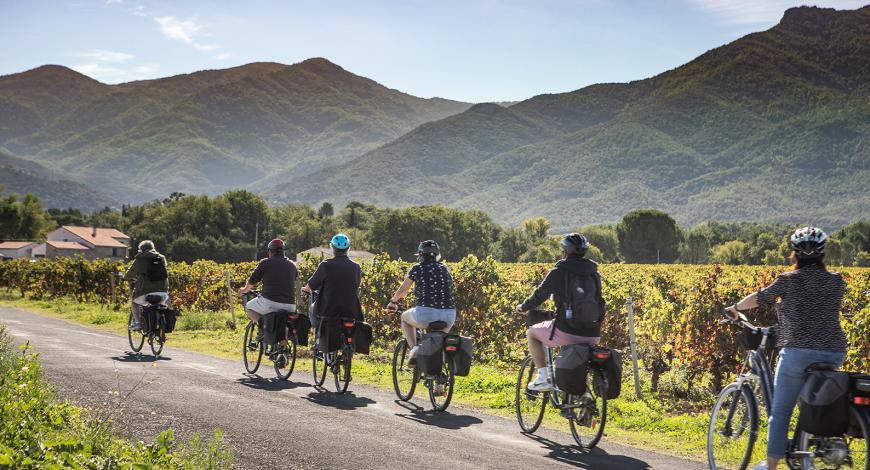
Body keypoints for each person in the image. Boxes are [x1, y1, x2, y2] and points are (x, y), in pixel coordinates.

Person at [725, 227, 846, 470]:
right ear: (822, 254)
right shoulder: (836, 281)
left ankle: (771, 466)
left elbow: (760, 298)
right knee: (809, 400)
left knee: (780, 410)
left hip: (797, 351)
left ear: (795, 254)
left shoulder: (788, 280)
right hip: (834, 352)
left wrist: (735, 307)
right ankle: (805, 453)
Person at [515, 233, 603, 391]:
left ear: (565, 252)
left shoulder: (558, 271)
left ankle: (543, 378)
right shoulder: (594, 273)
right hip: (593, 332)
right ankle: (584, 398)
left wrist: (523, 307)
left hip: (567, 329)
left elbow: (539, 295)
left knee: (532, 334)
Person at [386, 240, 456, 365]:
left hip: (426, 313)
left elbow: (403, 290)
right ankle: (437, 376)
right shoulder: (445, 269)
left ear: (421, 254)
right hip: (449, 315)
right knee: (436, 342)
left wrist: (393, 302)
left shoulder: (417, 268)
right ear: (437, 254)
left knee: (404, 318)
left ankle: (414, 350)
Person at [301, 234, 364, 344]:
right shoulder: (356, 267)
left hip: (329, 309)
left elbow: (311, 286)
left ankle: (319, 340)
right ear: (348, 248)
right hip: (351, 310)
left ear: (332, 248)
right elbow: (357, 284)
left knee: (312, 309)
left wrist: (305, 290)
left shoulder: (325, 265)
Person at [238, 239, 298, 341]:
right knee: (284, 325)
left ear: (270, 252)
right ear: (283, 251)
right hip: (290, 305)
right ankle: (282, 351)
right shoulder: (292, 265)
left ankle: (262, 328)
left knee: (249, 307)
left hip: (270, 303)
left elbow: (252, 281)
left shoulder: (265, 263)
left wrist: (244, 290)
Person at [124, 240, 169, 331]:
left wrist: (125, 278)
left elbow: (129, 274)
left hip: (144, 291)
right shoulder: (161, 257)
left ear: (141, 250)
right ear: (153, 248)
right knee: (159, 305)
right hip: (163, 291)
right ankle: (158, 325)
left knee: (134, 302)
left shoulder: (140, 259)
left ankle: (137, 323)